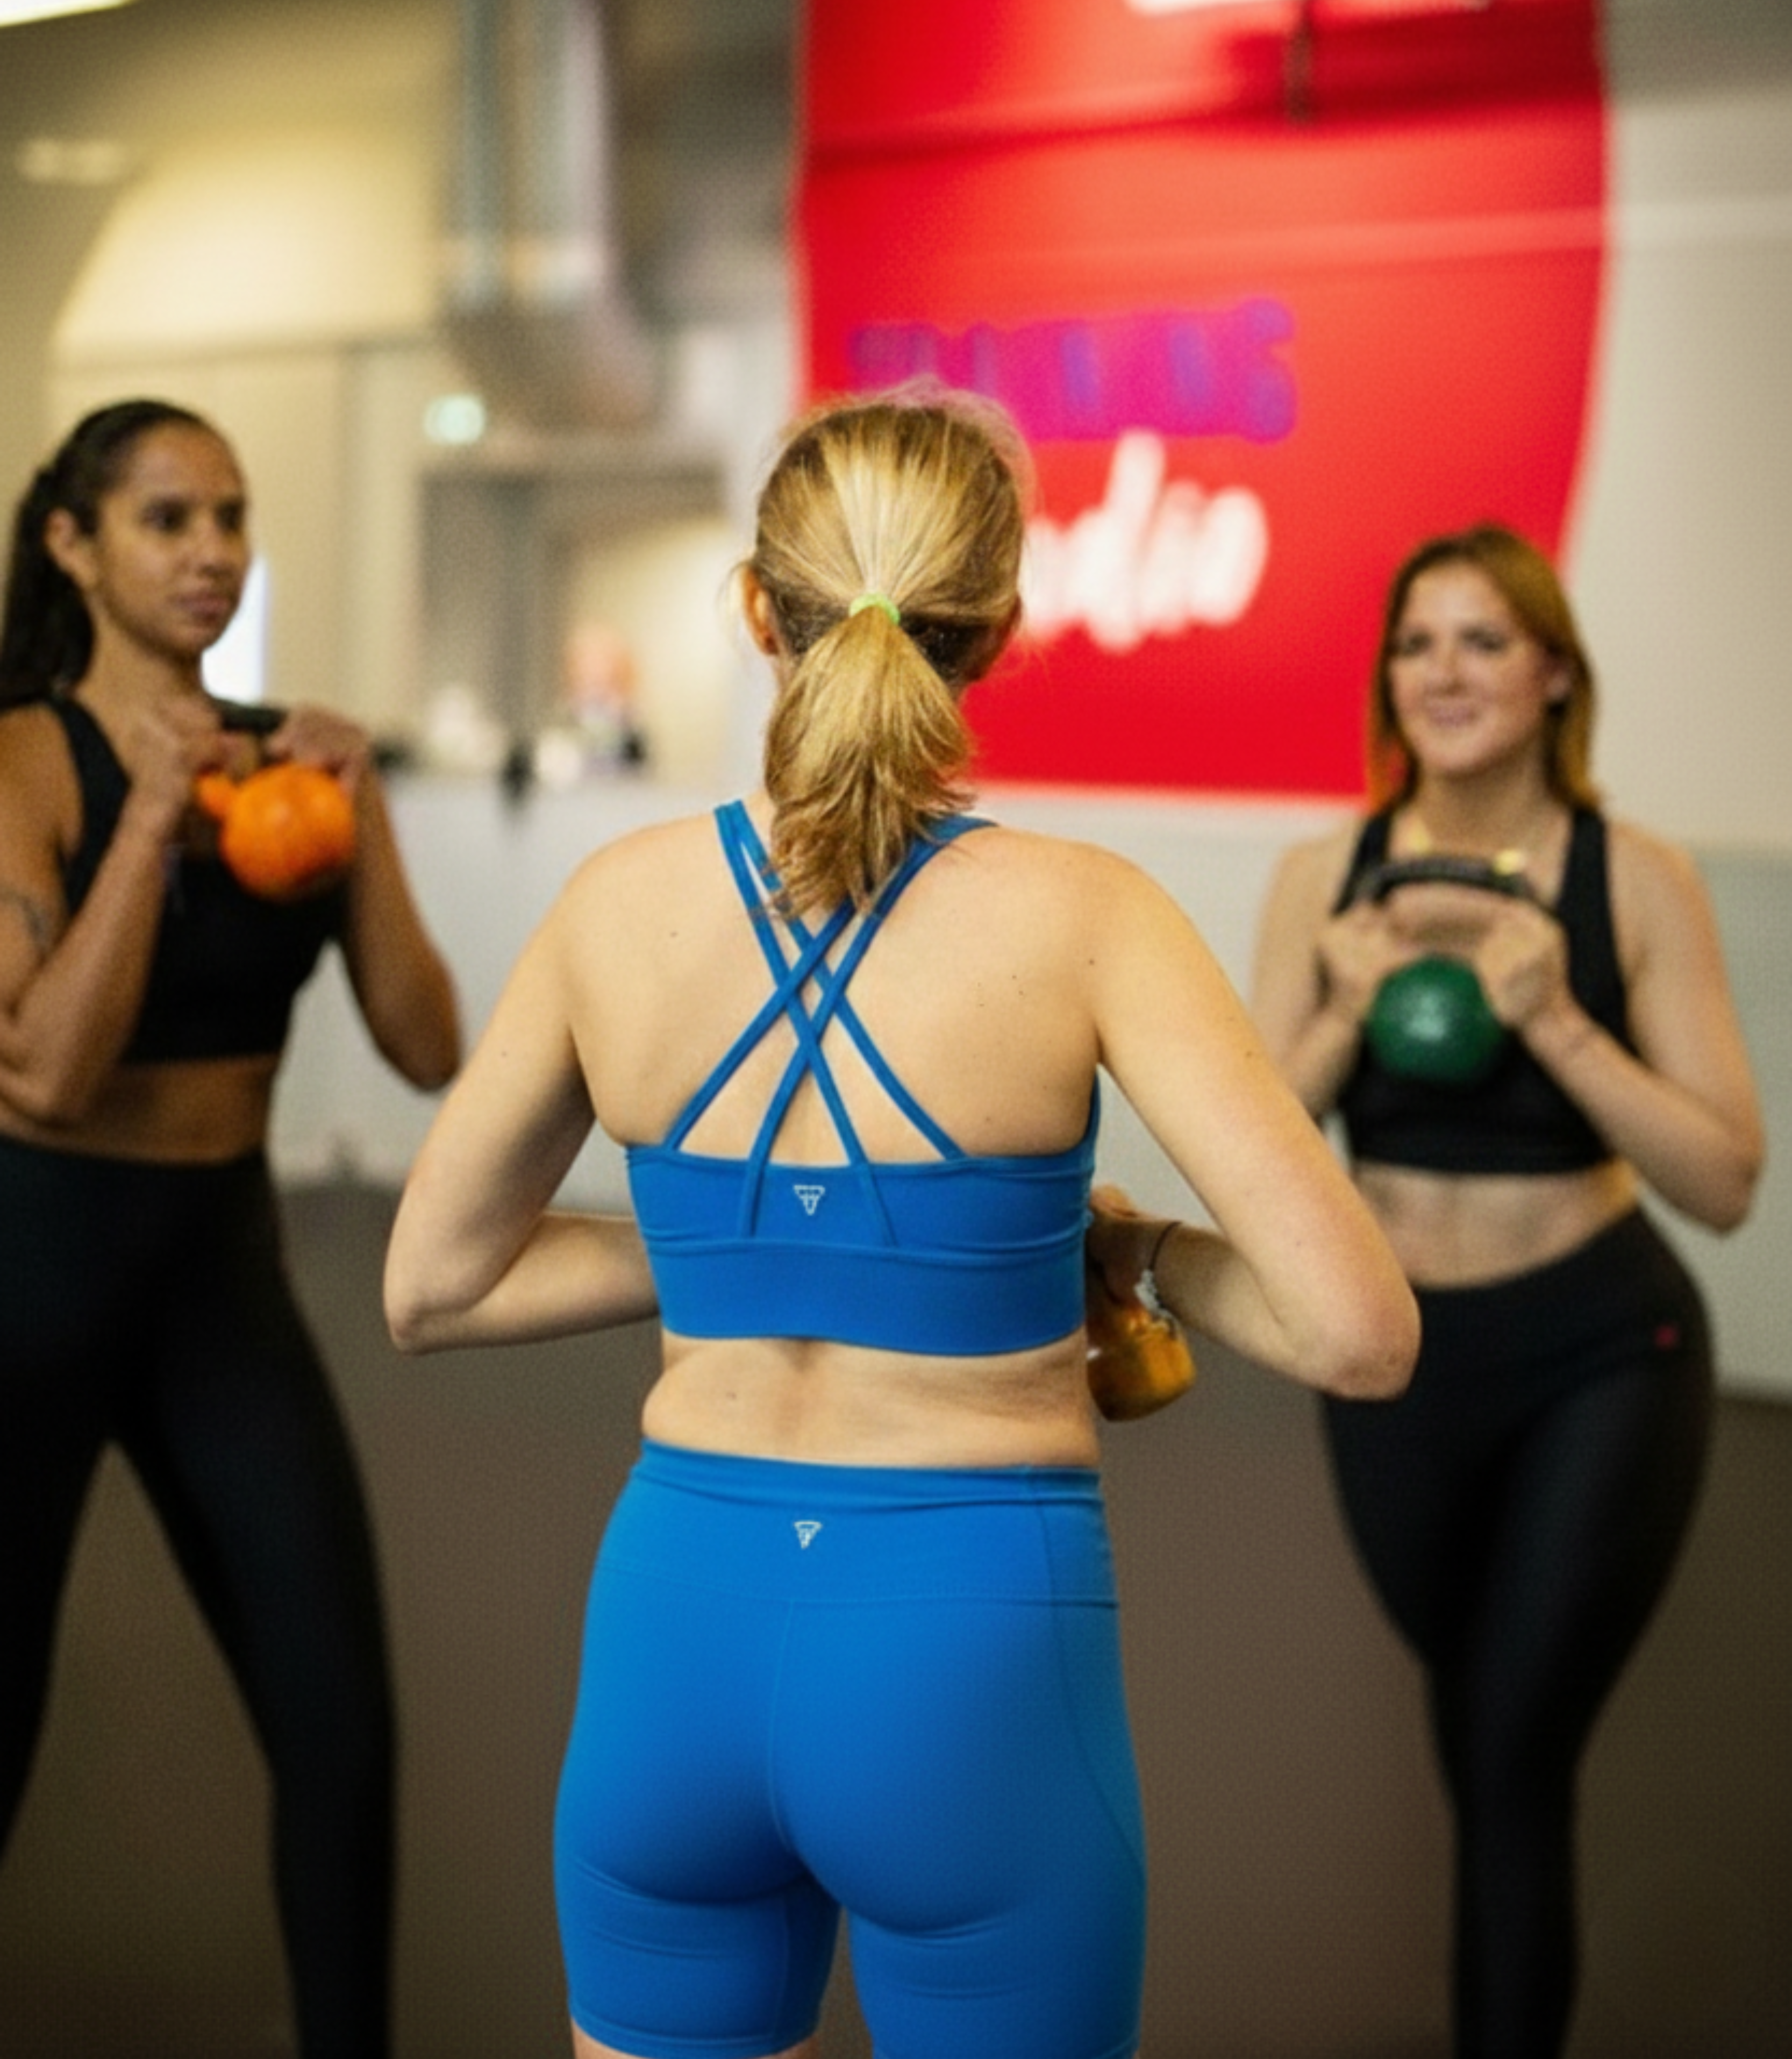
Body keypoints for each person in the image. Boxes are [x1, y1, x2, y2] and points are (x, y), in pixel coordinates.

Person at [384, 386, 1418, 2059]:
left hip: (676, 1627)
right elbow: (1358, 1334)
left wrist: (740, 1250)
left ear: (752, 608)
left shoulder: (613, 906)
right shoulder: (1090, 915)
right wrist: (1130, 1254)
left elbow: (431, 1286)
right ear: (999, 628)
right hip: (964, 1636)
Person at [1248, 522, 1763, 2059]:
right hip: (1397, 1363)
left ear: (1554, 676)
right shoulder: (1322, 879)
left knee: (1510, 1750)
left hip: (1600, 1356)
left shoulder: (1635, 879)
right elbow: (1253, 1149)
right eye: (1416, 643)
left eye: (1483, 639)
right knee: (1483, 1744)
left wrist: (1555, 1020)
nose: (1445, 672)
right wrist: (1341, 1011)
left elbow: (1723, 1179)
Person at [0, 398, 461, 2059]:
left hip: (218, 1282)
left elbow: (429, 1047)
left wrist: (363, 814)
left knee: (343, 1736)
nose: (211, 553)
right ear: (74, 546)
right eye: (167, 519)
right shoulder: (26, 757)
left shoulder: (288, 767)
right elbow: (46, 1074)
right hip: (31, 1280)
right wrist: (148, 818)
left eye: (231, 518)